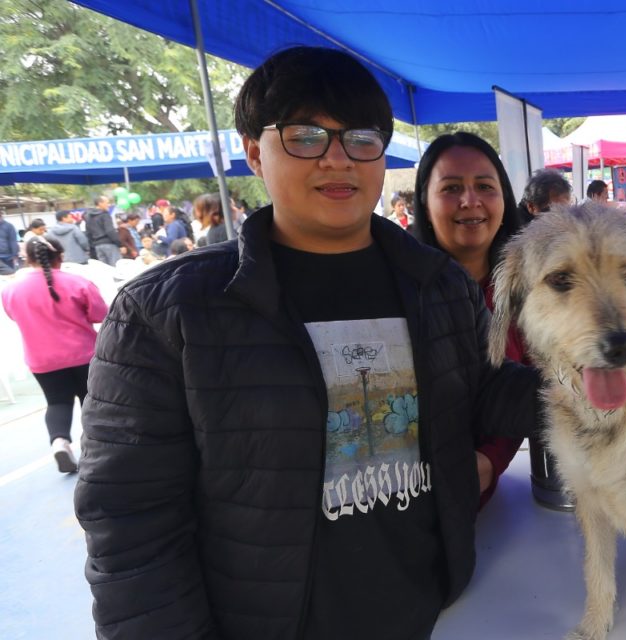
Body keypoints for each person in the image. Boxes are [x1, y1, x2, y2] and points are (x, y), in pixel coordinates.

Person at [74, 46, 541, 640]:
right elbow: (130, 517)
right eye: (306, 136)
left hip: (427, 604)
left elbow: (484, 393)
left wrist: (608, 384)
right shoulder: (167, 311)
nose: (337, 159)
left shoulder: (439, 285)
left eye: (360, 139)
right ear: (253, 152)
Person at [412, 131, 529, 509]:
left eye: (484, 185)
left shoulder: (537, 291)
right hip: (408, 499)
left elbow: (537, 389)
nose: (470, 200)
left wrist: (490, 460)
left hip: (490, 503)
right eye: (451, 188)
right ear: (425, 204)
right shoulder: (397, 290)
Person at [2, 237, 108, 473]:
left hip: (42, 360)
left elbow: (13, 315)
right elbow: (101, 314)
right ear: (60, 255)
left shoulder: (11, 290)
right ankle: (99, 448)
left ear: (27, 258)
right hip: (84, 355)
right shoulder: (77, 282)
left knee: (57, 402)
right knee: (92, 400)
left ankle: (60, 443)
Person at [84, 193, 121, 266]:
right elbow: (110, 231)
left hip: (97, 246)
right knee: (116, 267)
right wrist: (119, 243)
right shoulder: (105, 215)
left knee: (104, 269)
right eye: (107, 203)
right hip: (109, 244)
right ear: (100, 203)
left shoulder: (88, 216)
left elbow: (88, 233)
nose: (109, 205)